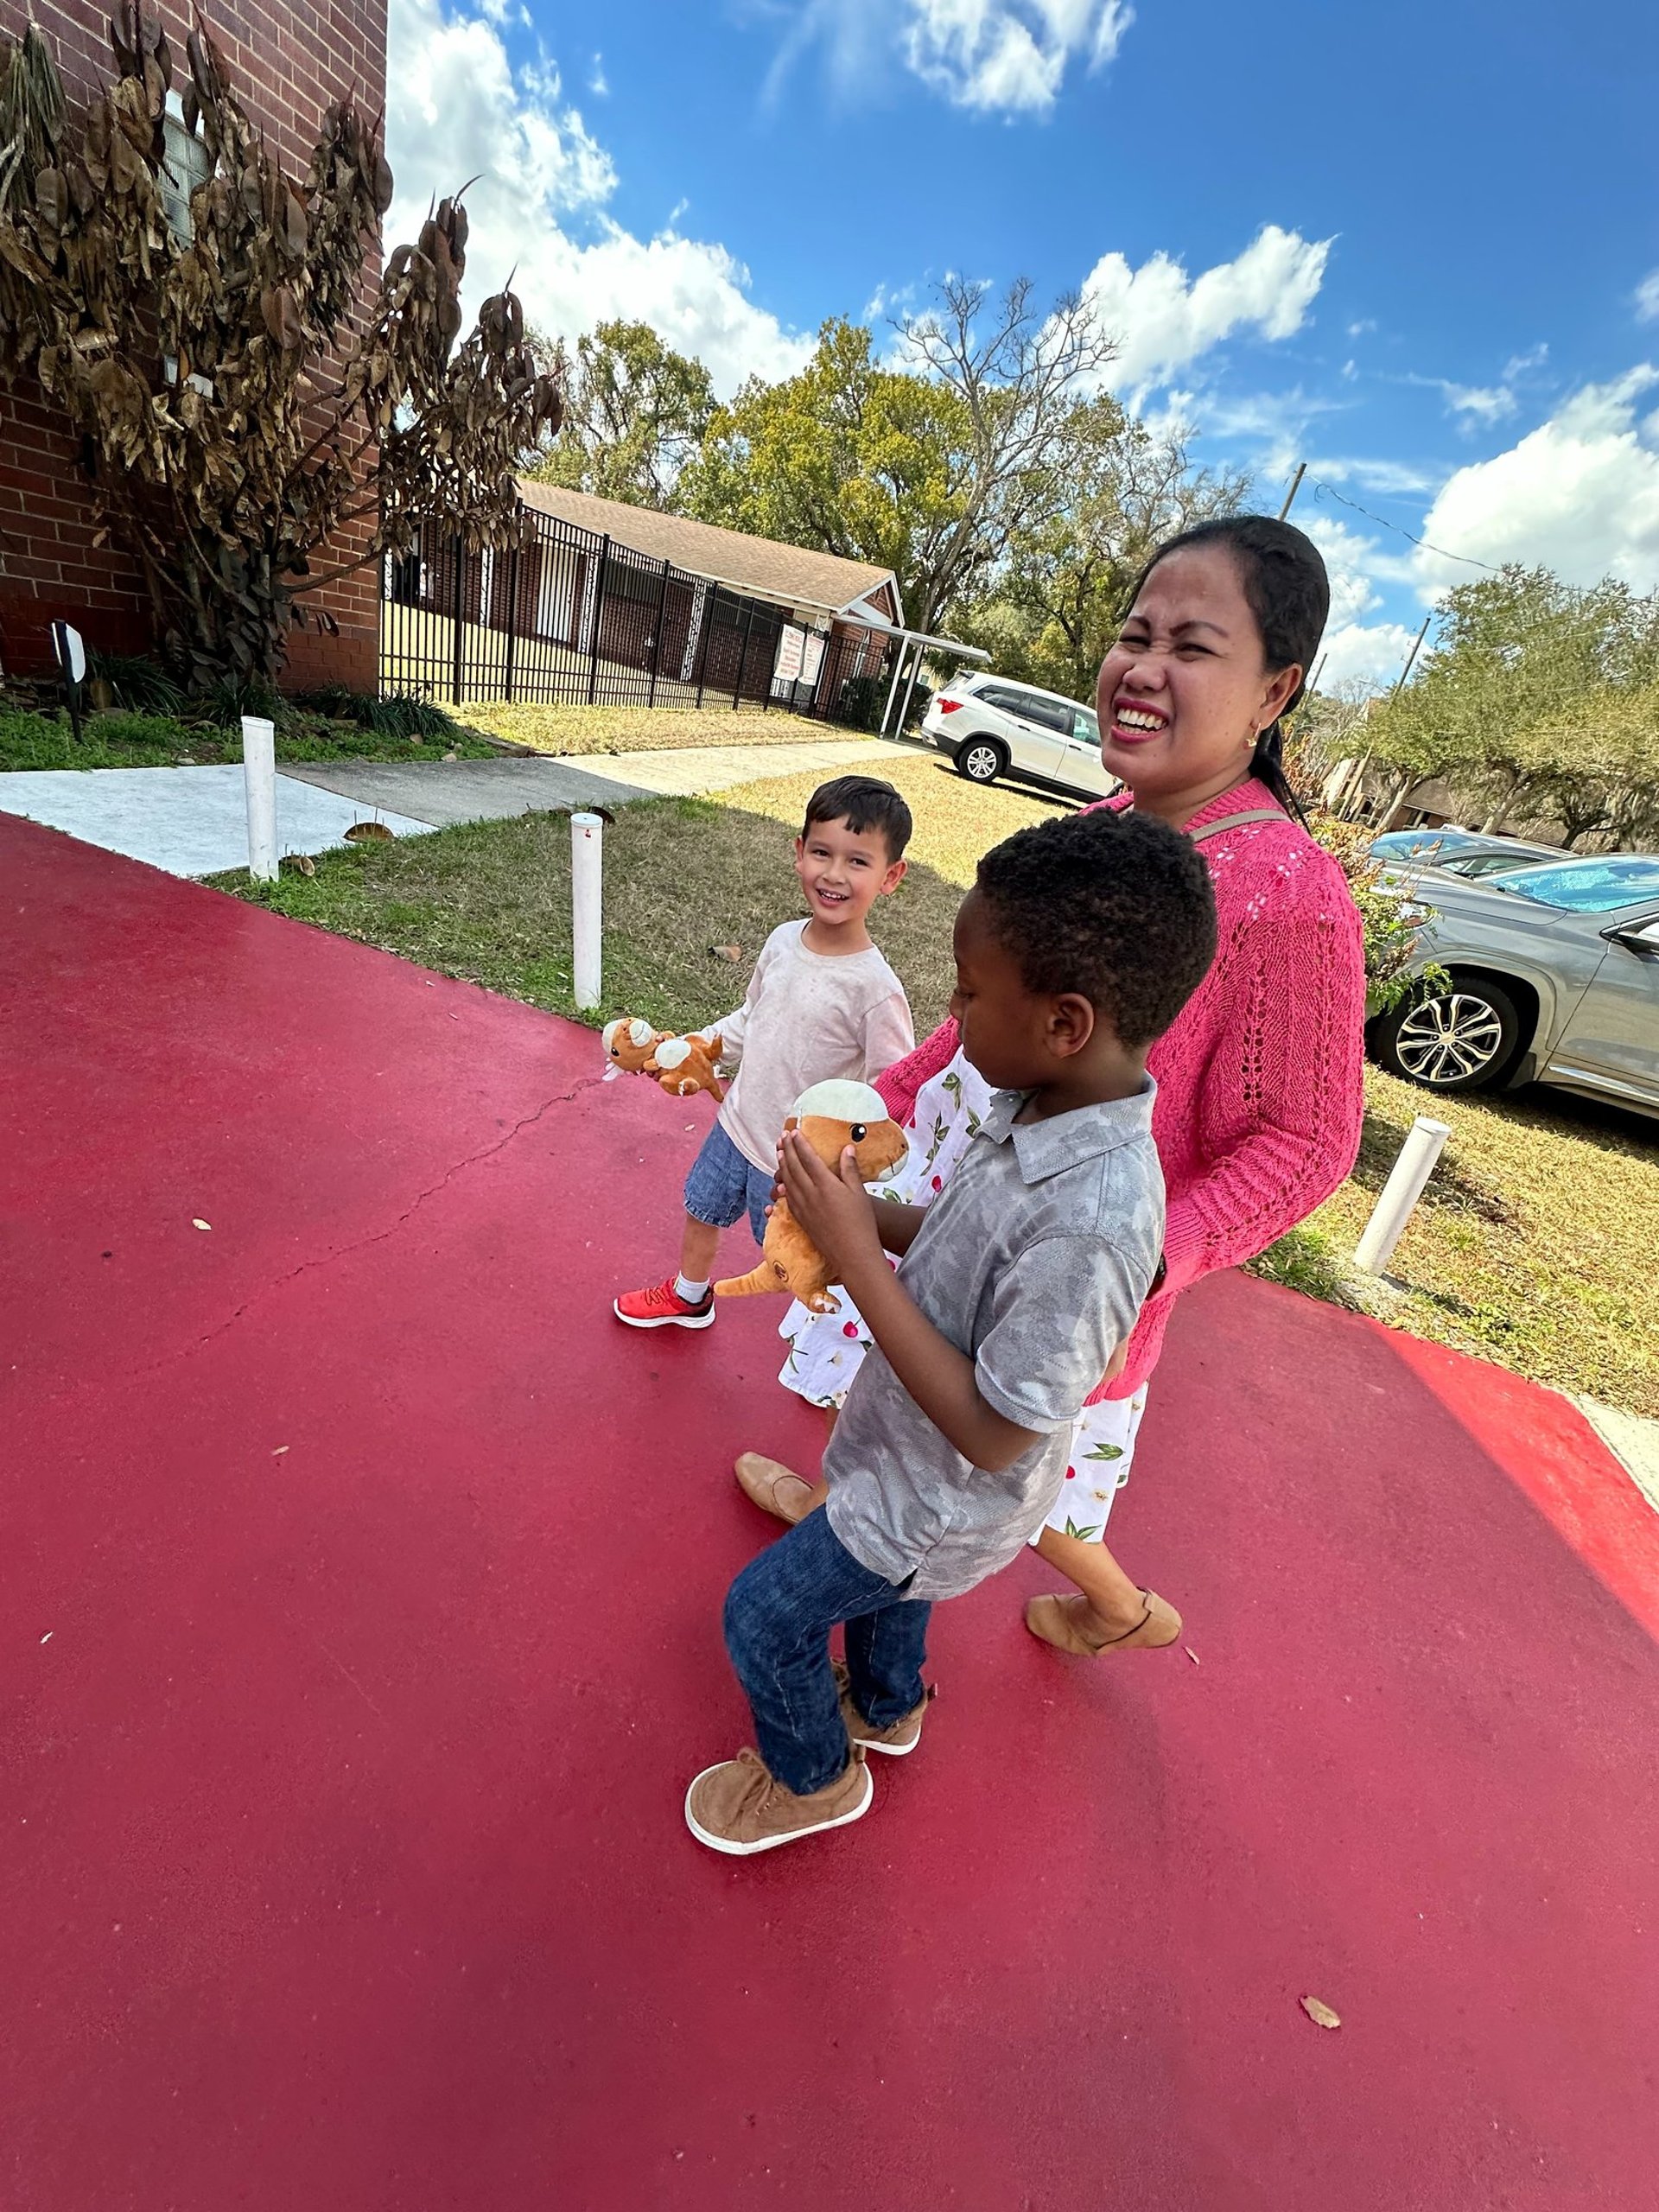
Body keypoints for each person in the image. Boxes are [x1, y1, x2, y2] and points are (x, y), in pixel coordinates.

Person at [737, 516, 1368, 1657]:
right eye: (1135, 633)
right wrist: (872, 1102)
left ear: (1274, 692)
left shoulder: (1293, 895)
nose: (1143, 667)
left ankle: (1117, 1610)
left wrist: (1135, 1260)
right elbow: (981, 1012)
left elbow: (1304, 1148)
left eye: (1191, 644)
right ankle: (854, 1516)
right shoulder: (1105, 825)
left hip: (1071, 1275)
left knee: (1016, 1483)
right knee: (916, 1413)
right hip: (975, 1213)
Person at [684, 806, 1217, 1853]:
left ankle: (812, 1778)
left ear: (1065, 1021)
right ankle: (888, 1707)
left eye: (970, 992)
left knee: (763, 1615)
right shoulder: (1041, 1102)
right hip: (905, 1461)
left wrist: (859, 1266)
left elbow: (998, 1432)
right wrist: (857, 1218)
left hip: (937, 1495)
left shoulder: (1099, 1219)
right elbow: (963, 1233)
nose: (955, 1010)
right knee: (894, 1601)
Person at [613, 775, 916, 1332]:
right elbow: (750, 1022)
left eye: (858, 861)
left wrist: (851, 1169)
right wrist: (691, 1048)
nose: (833, 874)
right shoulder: (781, 941)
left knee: (801, 1265)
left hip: (795, 1166)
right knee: (701, 1207)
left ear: (890, 877)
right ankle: (689, 1295)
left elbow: (889, 1092)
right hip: (737, 1125)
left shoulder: (876, 990)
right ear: (799, 853)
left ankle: (825, 1357)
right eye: (822, 853)